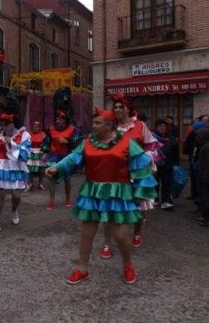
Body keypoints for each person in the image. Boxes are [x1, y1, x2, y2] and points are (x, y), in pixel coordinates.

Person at [45, 108, 157, 285]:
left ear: (110, 125)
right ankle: (82, 268)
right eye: (94, 122)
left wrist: (139, 194)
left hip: (117, 194)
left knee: (120, 236)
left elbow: (142, 168)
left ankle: (127, 264)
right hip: (92, 192)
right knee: (87, 233)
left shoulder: (127, 143)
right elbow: (73, 158)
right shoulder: (88, 143)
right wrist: (57, 167)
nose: (93, 125)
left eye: (98, 122)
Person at [99, 93, 161, 258]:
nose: (118, 109)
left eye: (121, 106)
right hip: (115, 173)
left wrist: (146, 158)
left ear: (128, 109)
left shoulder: (140, 126)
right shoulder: (110, 127)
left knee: (139, 206)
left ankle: (137, 233)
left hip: (137, 173)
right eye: (116, 107)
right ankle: (107, 243)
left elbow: (151, 145)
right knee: (110, 208)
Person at [0, 113, 31, 232]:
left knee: (16, 195)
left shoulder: (23, 135)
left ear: (12, 124)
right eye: (1, 125)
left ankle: (14, 210)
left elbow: (25, 152)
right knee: (0, 195)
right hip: (1, 166)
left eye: (5, 125)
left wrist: (10, 143)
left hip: (16, 167)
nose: (3, 127)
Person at [43, 110, 83, 210]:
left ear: (65, 121)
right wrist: (44, 153)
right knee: (51, 179)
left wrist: (67, 141)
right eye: (57, 119)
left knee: (67, 180)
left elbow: (78, 143)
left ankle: (68, 199)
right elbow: (46, 142)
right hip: (53, 156)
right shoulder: (51, 129)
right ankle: (51, 202)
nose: (58, 121)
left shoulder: (72, 129)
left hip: (66, 157)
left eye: (60, 119)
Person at [153, 119, 179, 211]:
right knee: (154, 184)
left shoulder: (171, 137)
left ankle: (166, 202)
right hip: (155, 165)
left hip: (167, 165)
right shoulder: (152, 137)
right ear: (156, 127)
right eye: (160, 126)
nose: (162, 127)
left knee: (167, 184)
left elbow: (175, 151)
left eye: (164, 126)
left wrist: (176, 163)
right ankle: (154, 199)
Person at [27, 121, 46, 190]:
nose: (34, 128)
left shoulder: (43, 134)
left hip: (40, 152)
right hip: (31, 152)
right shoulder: (29, 134)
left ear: (39, 128)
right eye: (34, 127)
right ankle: (30, 183)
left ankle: (40, 184)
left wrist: (43, 149)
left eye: (36, 127)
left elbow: (45, 144)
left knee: (40, 169)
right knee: (30, 169)